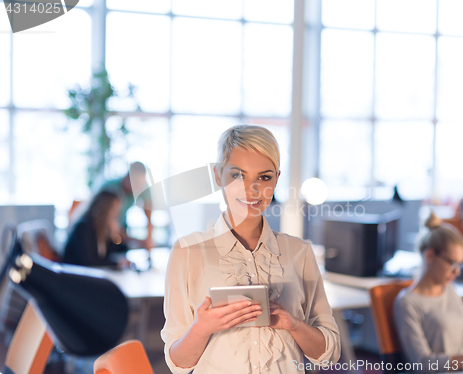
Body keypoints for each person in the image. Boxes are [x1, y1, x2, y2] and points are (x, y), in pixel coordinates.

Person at [161, 125, 340, 374]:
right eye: (237, 175)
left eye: (264, 177)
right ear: (217, 176)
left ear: (276, 179)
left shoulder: (300, 252)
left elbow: (329, 354)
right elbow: (178, 364)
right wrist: (201, 328)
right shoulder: (187, 252)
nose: (252, 189)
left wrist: (294, 325)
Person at [393, 213, 463, 373]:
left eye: (460, 265)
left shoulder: (450, 290)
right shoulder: (407, 302)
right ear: (430, 255)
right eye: (452, 263)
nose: (457, 272)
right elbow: (422, 363)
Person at [98, 161, 154, 250]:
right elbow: (106, 226)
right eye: (135, 183)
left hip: (120, 226)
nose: (138, 188)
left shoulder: (142, 187)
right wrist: (137, 241)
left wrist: (149, 240)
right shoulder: (109, 188)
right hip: (104, 231)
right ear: (127, 177)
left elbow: (149, 218)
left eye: (140, 184)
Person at [63, 190, 127, 267]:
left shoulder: (101, 229)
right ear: (105, 209)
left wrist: (114, 236)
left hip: (88, 274)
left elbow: (111, 253)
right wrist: (116, 264)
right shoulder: (84, 227)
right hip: (74, 275)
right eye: (115, 210)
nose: (117, 214)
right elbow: (89, 262)